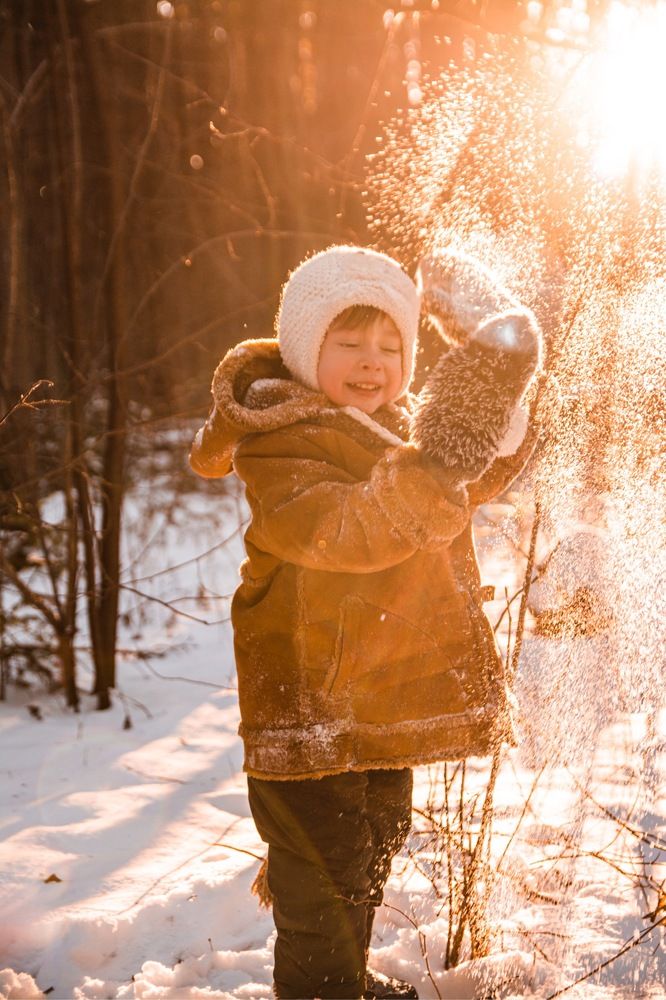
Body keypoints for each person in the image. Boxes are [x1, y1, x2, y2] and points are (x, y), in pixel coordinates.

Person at [189, 245, 539, 1000]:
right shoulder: (279, 442)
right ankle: (321, 988)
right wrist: (437, 465)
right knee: (324, 880)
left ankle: (339, 980)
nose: (372, 361)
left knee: (373, 847)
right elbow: (345, 530)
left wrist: (492, 406)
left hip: (380, 706)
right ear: (306, 349)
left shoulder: (393, 428)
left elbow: (466, 479)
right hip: (309, 713)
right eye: (348, 343)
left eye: (391, 345)